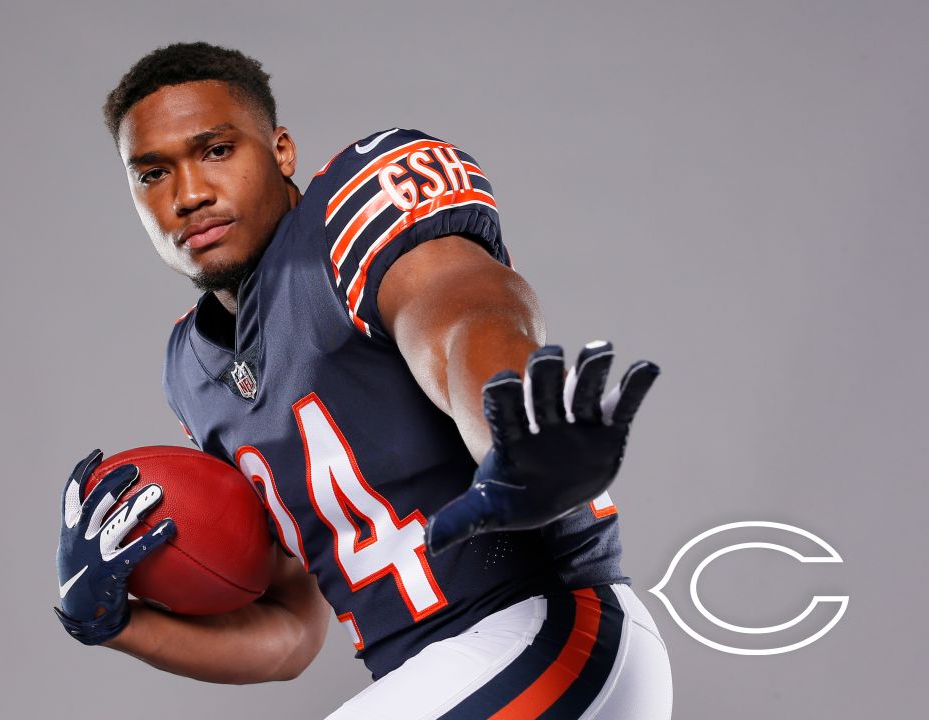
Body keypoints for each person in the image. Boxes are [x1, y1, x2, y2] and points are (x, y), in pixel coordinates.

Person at [55, 42, 673, 719]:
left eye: (216, 151)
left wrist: (511, 432)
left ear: (281, 151)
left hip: (548, 635)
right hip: (445, 680)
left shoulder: (348, 216)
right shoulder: (193, 371)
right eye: (151, 173)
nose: (188, 195)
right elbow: (292, 634)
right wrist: (114, 624)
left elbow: (462, 314)